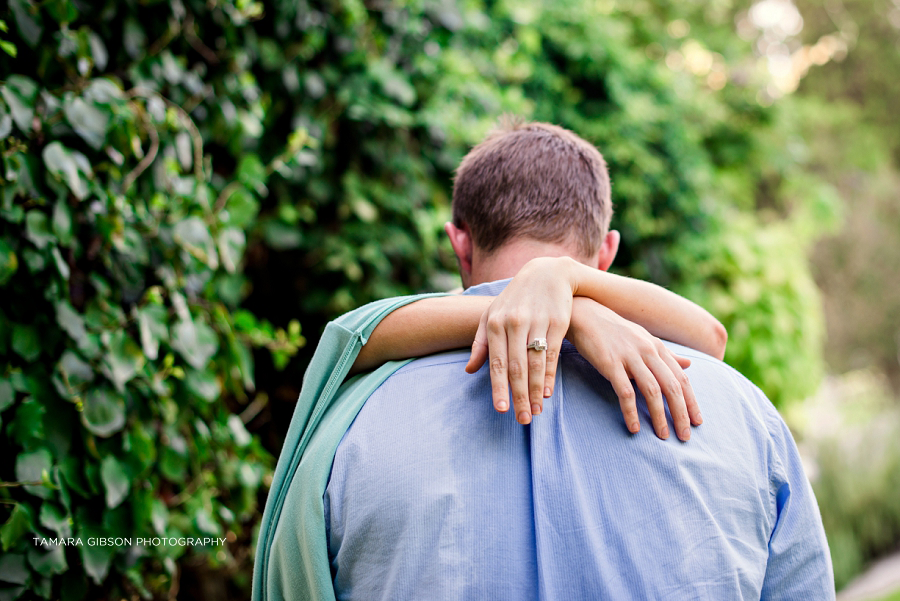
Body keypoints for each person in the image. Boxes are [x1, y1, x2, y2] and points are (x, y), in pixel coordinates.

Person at [252, 121, 834, 600]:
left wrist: (558, 290)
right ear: (607, 251)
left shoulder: (350, 422)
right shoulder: (736, 409)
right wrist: (575, 302)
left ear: (459, 243)